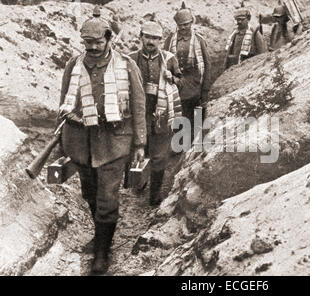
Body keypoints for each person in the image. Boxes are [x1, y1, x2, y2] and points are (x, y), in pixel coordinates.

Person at [57, 15, 147, 274]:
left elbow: (139, 107)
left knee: (107, 198)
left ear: (109, 38)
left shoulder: (127, 66)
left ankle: (102, 252)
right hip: (80, 143)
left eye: (97, 42)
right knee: (89, 193)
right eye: (87, 42)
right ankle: (101, 234)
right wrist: (62, 142)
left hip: (114, 143)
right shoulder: (73, 65)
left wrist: (140, 143)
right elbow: (64, 101)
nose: (93, 48)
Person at [129, 19, 183, 206]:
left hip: (161, 113)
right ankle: (139, 181)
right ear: (141, 38)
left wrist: (172, 78)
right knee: (138, 149)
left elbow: (180, 82)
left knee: (160, 156)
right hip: (138, 113)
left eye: (156, 38)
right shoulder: (131, 59)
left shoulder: (169, 59)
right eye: (148, 37)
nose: (151, 42)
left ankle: (155, 194)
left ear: (161, 41)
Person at [164, 2, 211, 141]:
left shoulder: (199, 40)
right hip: (177, 86)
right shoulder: (170, 40)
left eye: (186, 24)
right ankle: (179, 147)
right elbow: (165, 62)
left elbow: (207, 66)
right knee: (178, 117)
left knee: (196, 119)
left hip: (195, 87)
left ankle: (194, 147)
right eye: (181, 25)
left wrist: (205, 90)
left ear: (192, 22)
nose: (183, 27)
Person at [224, 3, 267, 69]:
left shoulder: (254, 33)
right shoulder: (234, 34)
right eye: (238, 19)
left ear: (248, 19)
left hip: (248, 68)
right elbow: (228, 54)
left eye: (242, 19)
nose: (239, 22)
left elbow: (262, 53)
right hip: (234, 68)